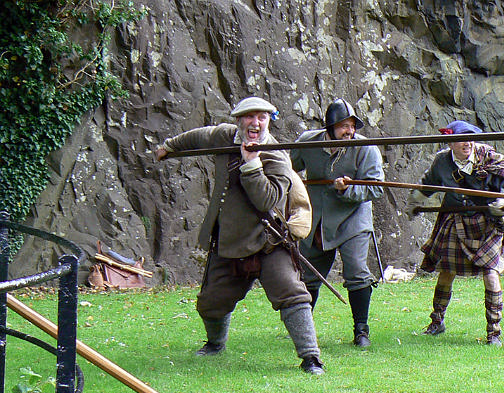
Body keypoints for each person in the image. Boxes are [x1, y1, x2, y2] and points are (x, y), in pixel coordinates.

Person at [155, 96, 324, 374]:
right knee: (211, 302)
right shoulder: (224, 136)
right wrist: (170, 146)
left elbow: (267, 201)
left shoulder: (277, 155)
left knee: (293, 295)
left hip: (269, 242)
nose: (255, 123)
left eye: (261, 117)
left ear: (269, 120)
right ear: (238, 120)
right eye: (249, 117)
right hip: (230, 241)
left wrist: (251, 164)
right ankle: (215, 344)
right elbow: (200, 136)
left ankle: (310, 357)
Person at [406, 120, 504, 346]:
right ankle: (437, 321)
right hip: (455, 219)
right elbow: (428, 184)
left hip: (487, 223)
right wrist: (415, 201)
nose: (467, 143)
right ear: (450, 142)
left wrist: (503, 200)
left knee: (490, 274)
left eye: (470, 138)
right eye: (461, 139)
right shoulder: (442, 161)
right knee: (446, 271)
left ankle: (494, 332)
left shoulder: (489, 158)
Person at [291, 98, 384, 348]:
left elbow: (376, 188)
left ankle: (361, 330)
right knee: (308, 276)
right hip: (317, 220)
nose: (349, 131)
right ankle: (304, 330)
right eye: (343, 125)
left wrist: (348, 190)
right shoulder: (307, 143)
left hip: (353, 221)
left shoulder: (366, 149)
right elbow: (288, 168)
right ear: (329, 127)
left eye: (352, 125)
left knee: (356, 271)